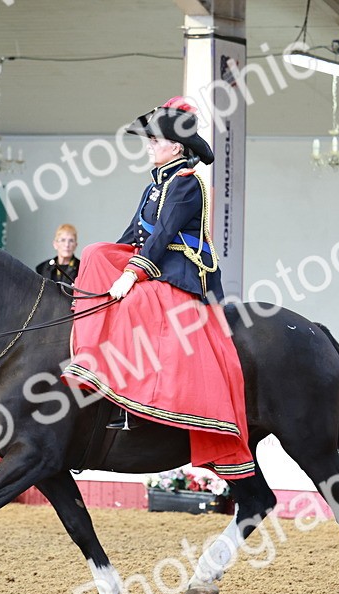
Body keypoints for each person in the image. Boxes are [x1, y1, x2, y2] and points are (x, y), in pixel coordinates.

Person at [62, 97, 255, 480]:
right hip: (153, 264)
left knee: (137, 303)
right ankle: (89, 360)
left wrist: (130, 276)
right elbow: (130, 236)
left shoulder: (187, 186)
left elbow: (162, 237)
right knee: (96, 251)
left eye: (154, 141)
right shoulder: (154, 186)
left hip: (179, 272)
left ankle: (128, 400)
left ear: (176, 147)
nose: (149, 146)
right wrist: (102, 272)